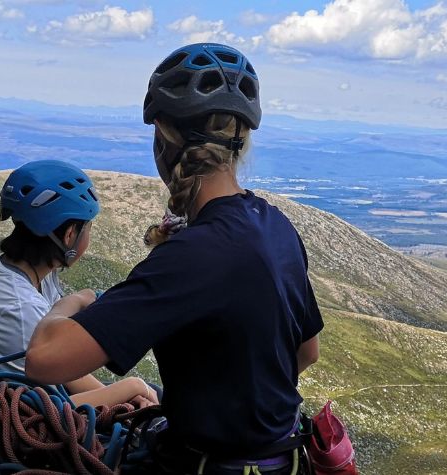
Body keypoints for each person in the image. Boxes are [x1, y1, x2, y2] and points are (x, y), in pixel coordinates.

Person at [22, 43, 324, 475]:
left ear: (164, 134)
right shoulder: (275, 224)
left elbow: (45, 361)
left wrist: (67, 306)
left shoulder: (191, 256)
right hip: (285, 459)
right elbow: (306, 352)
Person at [0, 160, 159, 409]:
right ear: (70, 234)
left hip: (19, 396)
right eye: (87, 228)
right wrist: (132, 387)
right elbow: (55, 409)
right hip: (4, 417)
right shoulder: (16, 307)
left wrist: (83, 299)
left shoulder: (27, 271)